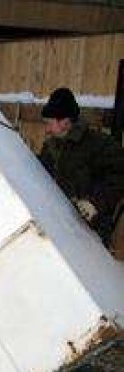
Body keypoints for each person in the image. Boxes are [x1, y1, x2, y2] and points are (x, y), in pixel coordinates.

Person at [39, 87, 124, 258]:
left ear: (64, 121)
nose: (46, 129)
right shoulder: (50, 147)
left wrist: (95, 203)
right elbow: (41, 175)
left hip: (91, 232)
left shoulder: (100, 145)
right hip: (59, 228)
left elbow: (119, 176)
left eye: (49, 123)